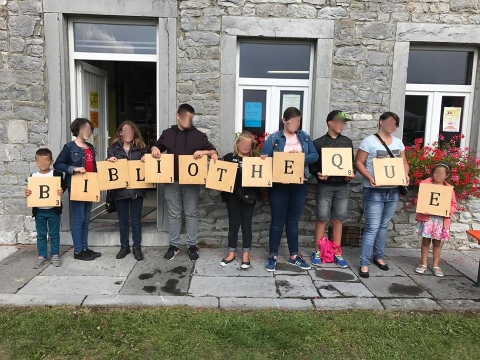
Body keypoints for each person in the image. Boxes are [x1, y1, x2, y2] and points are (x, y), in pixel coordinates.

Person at [151, 104, 218, 261]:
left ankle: (192, 246)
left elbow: (214, 152)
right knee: (173, 214)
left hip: (191, 181)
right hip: (171, 180)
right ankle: (173, 246)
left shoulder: (199, 136)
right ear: (178, 116)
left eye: (191, 118)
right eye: (187, 117)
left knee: (191, 213)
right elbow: (156, 146)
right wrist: (155, 149)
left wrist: (205, 152)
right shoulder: (167, 133)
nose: (189, 121)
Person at [260, 107, 319, 272]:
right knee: (277, 221)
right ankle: (272, 255)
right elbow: (265, 158)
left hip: (299, 183)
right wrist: (266, 158)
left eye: (298, 120)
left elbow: (315, 155)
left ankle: (294, 255)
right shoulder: (273, 138)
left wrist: (299, 158)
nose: (295, 123)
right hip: (279, 185)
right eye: (292, 120)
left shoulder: (304, 137)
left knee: (293, 222)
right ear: (284, 120)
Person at [354, 112, 409, 278]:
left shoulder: (398, 142)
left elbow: (404, 162)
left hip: (393, 189)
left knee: (384, 225)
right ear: (381, 122)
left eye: (396, 124)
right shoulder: (369, 141)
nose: (393, 126)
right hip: (374, 190)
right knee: (372, 227)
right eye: (391, 122)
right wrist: (369, 177)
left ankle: (378, 256)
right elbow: (358, 162)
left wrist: (406, 176)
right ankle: (364, 262)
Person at [310, 110, 355, 268]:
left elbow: (350, 163)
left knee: (338, 219)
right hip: (325, 186)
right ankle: (317, 250)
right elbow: (312, 165)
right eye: (338, 121)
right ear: (329, 122)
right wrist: (317, 173)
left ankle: (337, 251)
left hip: (342, 186)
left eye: (343, 122)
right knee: (322, 218)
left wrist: (351, 174)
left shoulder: (347, 142)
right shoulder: (318, 142)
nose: (341, 125)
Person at [54, 118, 101, 261]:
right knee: (79, 218)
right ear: (77, 129)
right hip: (77, 186)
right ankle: (78, 251)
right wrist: (73, 168)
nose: (88, 131)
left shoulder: (90, 147)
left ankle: (85, 248)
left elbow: (93, 167)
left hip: (90, 185)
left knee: (86, 219)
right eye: (85, 128)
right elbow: (58, 164)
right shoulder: (69, 147)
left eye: (90, 129)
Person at [220, 132, 262, 269]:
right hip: (232, 196)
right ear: (237, 144)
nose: (245, 147)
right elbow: (219, 173)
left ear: (252, 146)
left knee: (246, 225)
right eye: (243, 144)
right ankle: (231, 253)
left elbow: (262, 175)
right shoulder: (228, 157)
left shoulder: (256, 160)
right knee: (233, 225)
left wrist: (264, 160)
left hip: (249, 197)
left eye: (248, 145)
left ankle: (245, 254)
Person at [107, 121, 147, 261]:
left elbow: (150, 167)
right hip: (120, 190)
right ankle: (124, 247)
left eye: (131, 131)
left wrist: (146, 159)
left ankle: (137, 247)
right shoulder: (113, 149)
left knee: (136, 220)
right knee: (123, 220)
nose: (128, 133)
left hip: (137, 190)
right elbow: (108, 169)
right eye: (126, 131)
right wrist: (109, 160)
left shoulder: (141, 149)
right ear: (120, 133)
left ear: (134, 133)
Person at [25, 148, 66, 268]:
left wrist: (61, 191)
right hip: (39, 211)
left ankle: (55, 254)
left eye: (45, 161)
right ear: (36, 162)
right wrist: (27, 192)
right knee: (41, 234)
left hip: (53, 210)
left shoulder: (56, 174)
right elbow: (29, 190)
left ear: (51, 161)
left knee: (54, 234)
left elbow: (62, 188)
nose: (43, 164)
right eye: (40, 161)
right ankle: (42, 255)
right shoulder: (33, 176)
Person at [415, 163, 457, 277]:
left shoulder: (448, 189)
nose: (438, 175)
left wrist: (449, 211)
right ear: (432, 173)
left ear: (447, 176)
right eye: (436, 172)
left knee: (437, 243)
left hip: (440, 220)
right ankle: (423, 264)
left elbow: (453, 204)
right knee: (425, 241)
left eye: (441, 174)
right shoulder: (425, 185)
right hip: (427, 219)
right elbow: (419, 199)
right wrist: (422, 207)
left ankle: (435, 265)